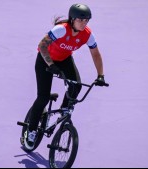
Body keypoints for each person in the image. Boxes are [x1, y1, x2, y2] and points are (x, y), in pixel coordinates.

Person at [24, 4, 107, 150]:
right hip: (45, 59)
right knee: (42, 97)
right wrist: (50, 64)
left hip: (64, 60)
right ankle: (31, 131)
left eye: (86, 20)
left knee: (77, 85)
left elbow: (96, 54)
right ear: (72, 19)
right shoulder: (61, 29)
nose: (84, 23)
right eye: (81, 20)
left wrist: (100, 75)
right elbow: (42, 45)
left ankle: (63, 110)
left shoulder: (87, 34)